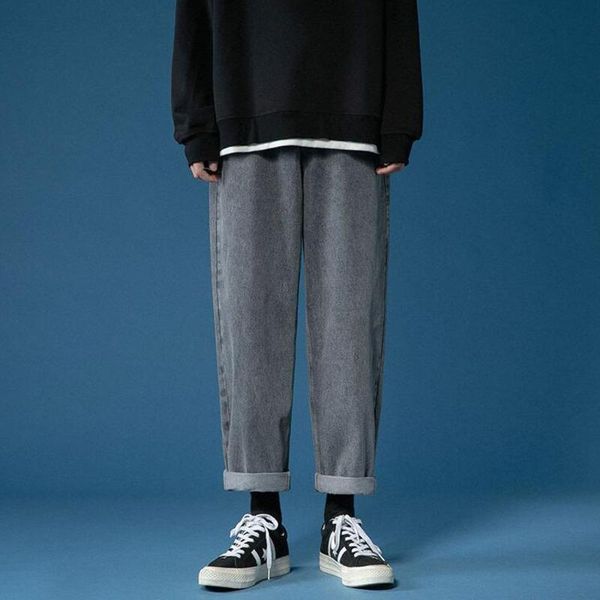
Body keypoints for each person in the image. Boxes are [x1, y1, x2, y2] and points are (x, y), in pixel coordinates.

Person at [171, 0, 423, 590]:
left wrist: (399, 119)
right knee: (251, 322)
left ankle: (342, 518)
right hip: (244, 115)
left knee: (349, 322)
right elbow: (193, 12)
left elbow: (399, 9)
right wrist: (197, 122)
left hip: (354, 112)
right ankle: (264, 520)